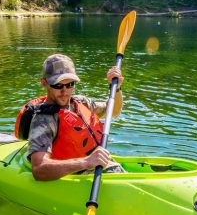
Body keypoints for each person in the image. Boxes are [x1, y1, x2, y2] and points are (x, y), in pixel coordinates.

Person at [16, 53, 124, 181]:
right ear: (44, 83)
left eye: (70, 84)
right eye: (58, 85)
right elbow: (39, 169)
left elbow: (114, 110)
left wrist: (116, 88)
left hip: (103, 166)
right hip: (79, 177)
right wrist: (86, 162)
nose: (65, 91)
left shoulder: (81, 103)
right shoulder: (44, 120)